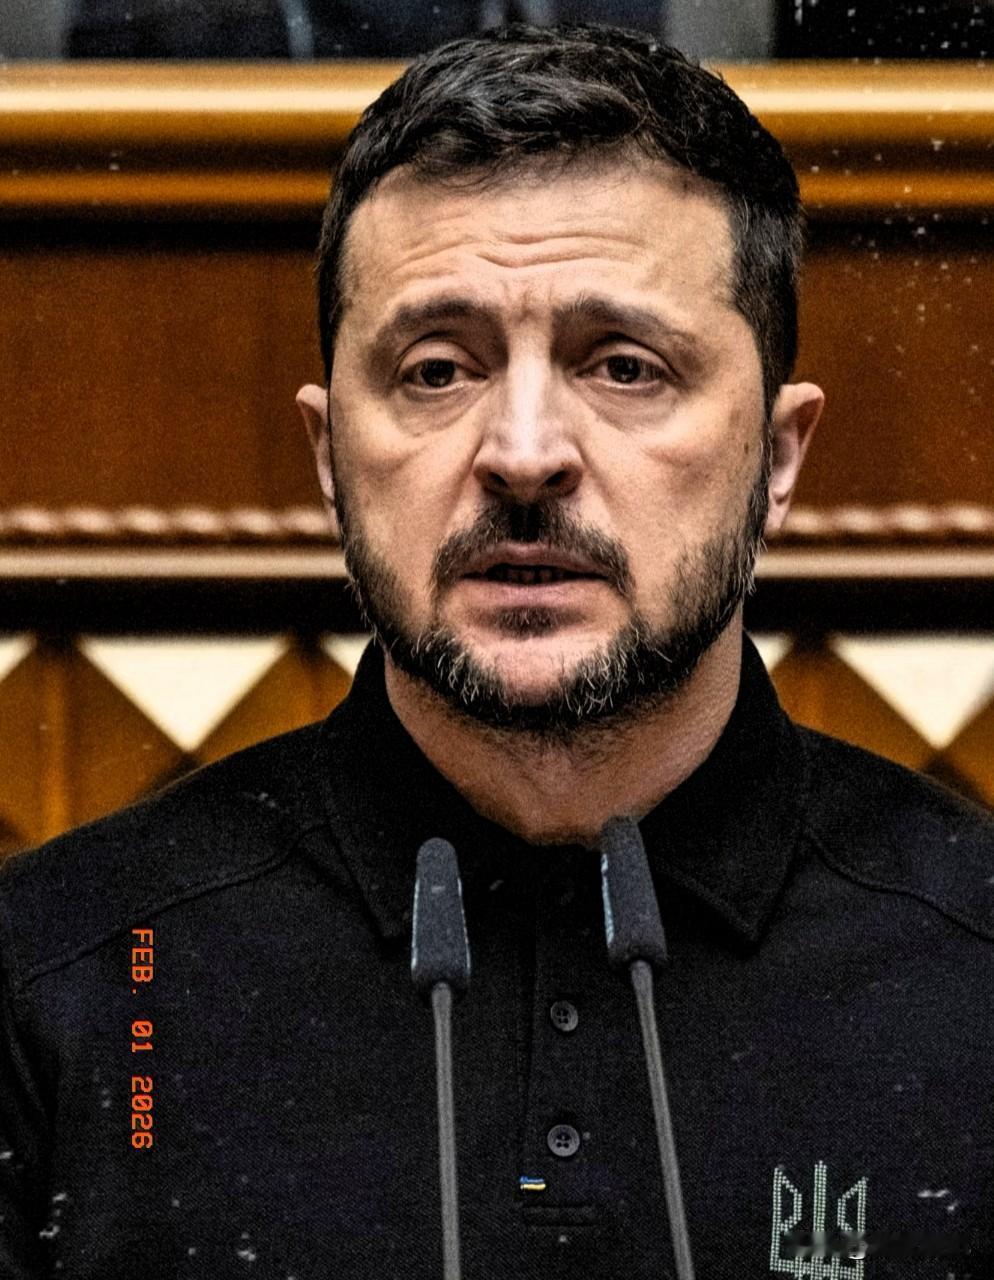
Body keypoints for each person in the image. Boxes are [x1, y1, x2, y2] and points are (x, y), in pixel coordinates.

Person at [2, 23, 994, 1280]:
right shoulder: (63, 977)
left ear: (778, 457)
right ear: (328, 455)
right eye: (436, 370)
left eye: (625, 366)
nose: (524, 454)